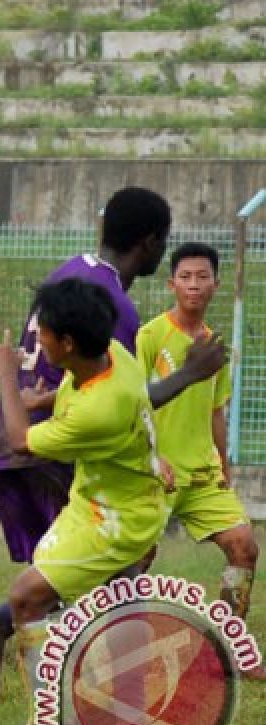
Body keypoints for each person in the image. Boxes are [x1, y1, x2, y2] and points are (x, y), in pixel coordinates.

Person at [0, 188, 225, 709]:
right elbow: (121, 401)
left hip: (11, 444)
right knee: (114, 569)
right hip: (54, 448)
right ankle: (82, 699)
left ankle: (5, 632)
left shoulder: (69, 270)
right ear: (151, 244)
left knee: (59, 583)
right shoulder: (117, 311)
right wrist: (191, 375)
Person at [0, 278, 172, 725]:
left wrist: (8, 376)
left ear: (66, 343)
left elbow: (20, 442)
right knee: (113, 603)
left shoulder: (99, 410)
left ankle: (49, 721)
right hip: (106, 499)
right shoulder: (111, 354)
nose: (37, 339)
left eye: (42, 333)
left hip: (113, 518)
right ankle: (124, 707)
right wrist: (42, 400)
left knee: (28, 598)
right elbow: (87, 389)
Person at [136, 242, 263, 679]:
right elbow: (133, 403)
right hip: (156, 471)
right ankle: (109, 650)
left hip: (202, 473)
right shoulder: (151, 335)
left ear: (216, 284)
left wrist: (224, 464)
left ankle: (225, 652)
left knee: (244, 546)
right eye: (185, 276)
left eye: (202, 276)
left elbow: (216, 410)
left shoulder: (213, 345)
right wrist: (150, 457)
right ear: (171, 284)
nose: (194, 284)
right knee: (135, 560)